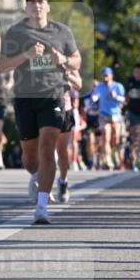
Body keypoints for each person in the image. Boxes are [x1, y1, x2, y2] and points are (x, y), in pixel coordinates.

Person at [0, 0, 81, 224]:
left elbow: (77, 60)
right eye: (32, 3)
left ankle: (42, 206)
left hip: (53, 95)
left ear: (48, 7)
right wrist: (26, 55)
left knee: (47, 147)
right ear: (26, 8)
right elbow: (1, 65)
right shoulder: (16, 32)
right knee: (30, 155)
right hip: (25, 97)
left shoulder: (62, 32)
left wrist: (63, 60)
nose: (37, 6)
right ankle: (35, 175)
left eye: (41, 2)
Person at [55, 68, 82, 203]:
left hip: (64, 109)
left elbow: (78, 84)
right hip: (43, 108)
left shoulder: (69, 61)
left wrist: (67, 74)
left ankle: (63, 181)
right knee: (44, 147)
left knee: (61, 150)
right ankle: (39, 181)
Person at [94, 67, 125, 170]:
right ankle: (108, 159)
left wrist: (115, 96)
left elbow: (124, 100)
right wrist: (94, 98)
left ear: (111, 76)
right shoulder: (99, 86)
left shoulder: (118, 86)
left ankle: (114, 153)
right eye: (103, 76)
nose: (105, 78)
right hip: (104, 114)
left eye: (107, 76)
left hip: (116, 114)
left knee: (115, 138)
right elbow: (94, 97)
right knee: (105, 136)